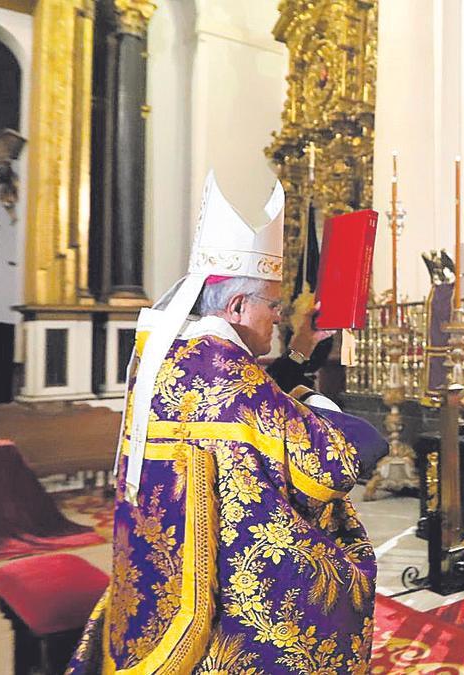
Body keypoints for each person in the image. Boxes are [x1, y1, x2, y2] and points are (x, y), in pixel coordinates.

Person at [68, 172, 381, 674]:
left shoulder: (179, 349)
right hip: (217, 593)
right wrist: (337, 418)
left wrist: (300, 348)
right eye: (274, 306)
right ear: (237, 305)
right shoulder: (220, 365)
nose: (279, 317)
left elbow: (251, 406)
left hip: (158, 570)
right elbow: (331, 465)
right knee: (332, 586)